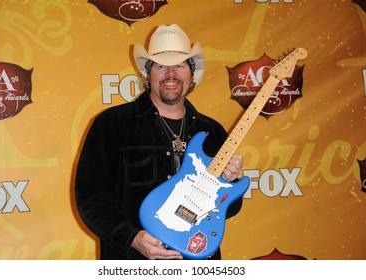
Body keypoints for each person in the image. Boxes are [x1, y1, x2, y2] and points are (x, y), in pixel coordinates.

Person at [75, 24, 244, 260]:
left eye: (180, 65)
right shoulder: (112, 124)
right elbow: (90, 196)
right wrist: (131, 238)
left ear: (191, 73)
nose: (171, 74)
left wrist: (226, 181)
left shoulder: (212, 131)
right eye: (161, 66)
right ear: (148, 73)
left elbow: (230, 209)